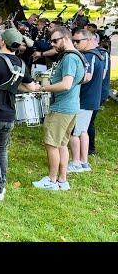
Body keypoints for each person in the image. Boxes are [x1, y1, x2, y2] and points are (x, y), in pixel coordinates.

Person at [0, 28, 40, 200]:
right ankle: (1, 186)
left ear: (3, 42)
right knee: (2, 150)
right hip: (9, 114)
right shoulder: (20, 63)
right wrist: (13, 84)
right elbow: (31, 87)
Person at [33, 26, 86, 191]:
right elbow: (82, 80)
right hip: (72, 107)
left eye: (55, 41)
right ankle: (63, 181)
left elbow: (66, 84)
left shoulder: (70, 58)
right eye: (51, 41)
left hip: (62, 109)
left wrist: (43, 88)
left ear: (65, 38)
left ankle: (51, 180)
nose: (53, 44)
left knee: (51, 145)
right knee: (62, 144)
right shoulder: (78, 56)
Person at [68, 30, 103, 173]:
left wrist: (69, 81)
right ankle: (84, 162)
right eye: (74, 41)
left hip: (85, 99)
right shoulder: (97, 55)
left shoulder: (90, 56)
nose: (75, 44)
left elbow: (87, 77)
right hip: (91, 99)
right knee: (83, 131)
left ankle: (76, 162)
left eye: (78, 41)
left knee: (74, 132)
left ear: (88, 40)